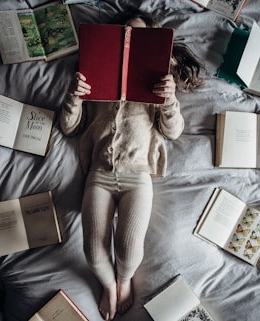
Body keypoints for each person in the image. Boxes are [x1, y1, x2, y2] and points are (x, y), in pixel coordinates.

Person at [60, 9, 204, 321]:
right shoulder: (97, 75)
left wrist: (169, 100)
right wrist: (75, 97)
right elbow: (69, 127)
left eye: (138, 35)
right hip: (99, 173)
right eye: (125, 32)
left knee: (127, 249)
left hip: (138, 175)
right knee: (93, 251)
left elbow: (173, 131)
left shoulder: (157, 80)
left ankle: (124, 280)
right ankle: (110, 285)